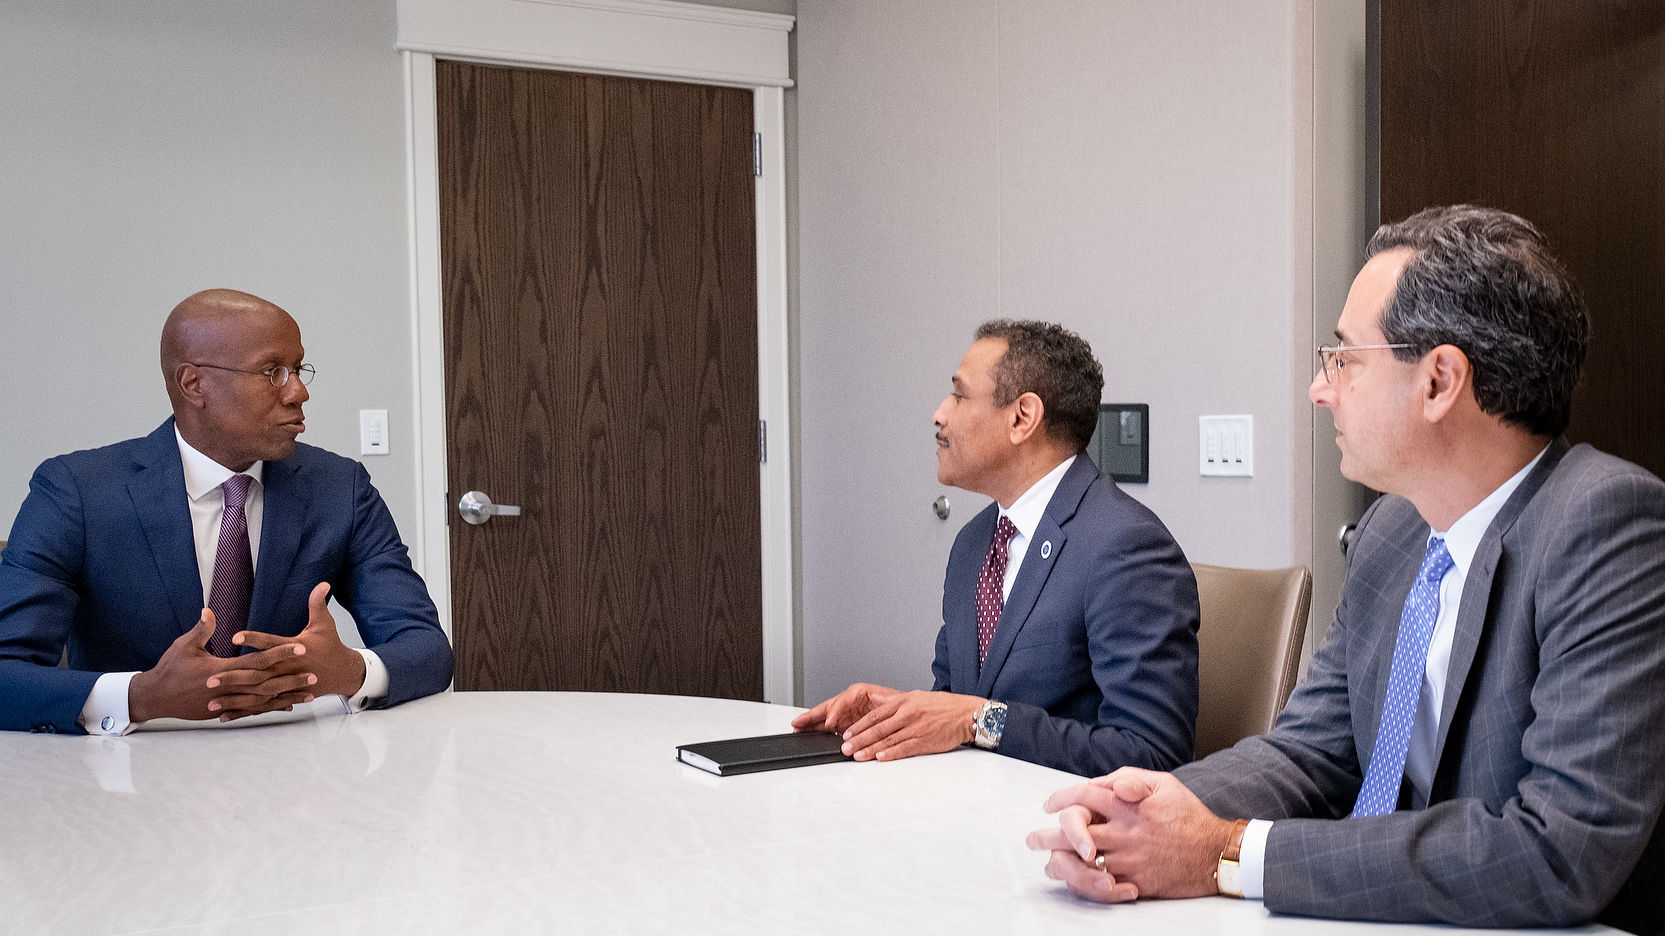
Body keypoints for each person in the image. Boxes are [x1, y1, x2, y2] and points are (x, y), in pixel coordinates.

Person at [1027, 206, 1665, 934]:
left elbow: (1558, 853)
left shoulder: (1606, 524)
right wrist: (1143, 807)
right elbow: (1310, 752)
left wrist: (1226, 852)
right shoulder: (1391, 531)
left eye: (1344, 359)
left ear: (1438, 381)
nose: (1320, 388)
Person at [0, 289, 454, 734]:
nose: (299, 392)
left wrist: (351, 670)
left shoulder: (340, 488)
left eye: (298, 370)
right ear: (193, 384)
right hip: (123, 774)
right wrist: (141, 697)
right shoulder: (77, 491)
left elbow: (427, 648)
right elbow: (6, 673)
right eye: (273, 371)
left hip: (292, 771)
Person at [792, 320, 1199, 776]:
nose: (939, 414)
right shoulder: (973, 543)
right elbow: (958, 705)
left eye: (960, 396)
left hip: (1064, 831)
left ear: (1022, 418)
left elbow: (1152, 755)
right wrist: (895, 714)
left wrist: (980, 720)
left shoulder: (1125, 548)